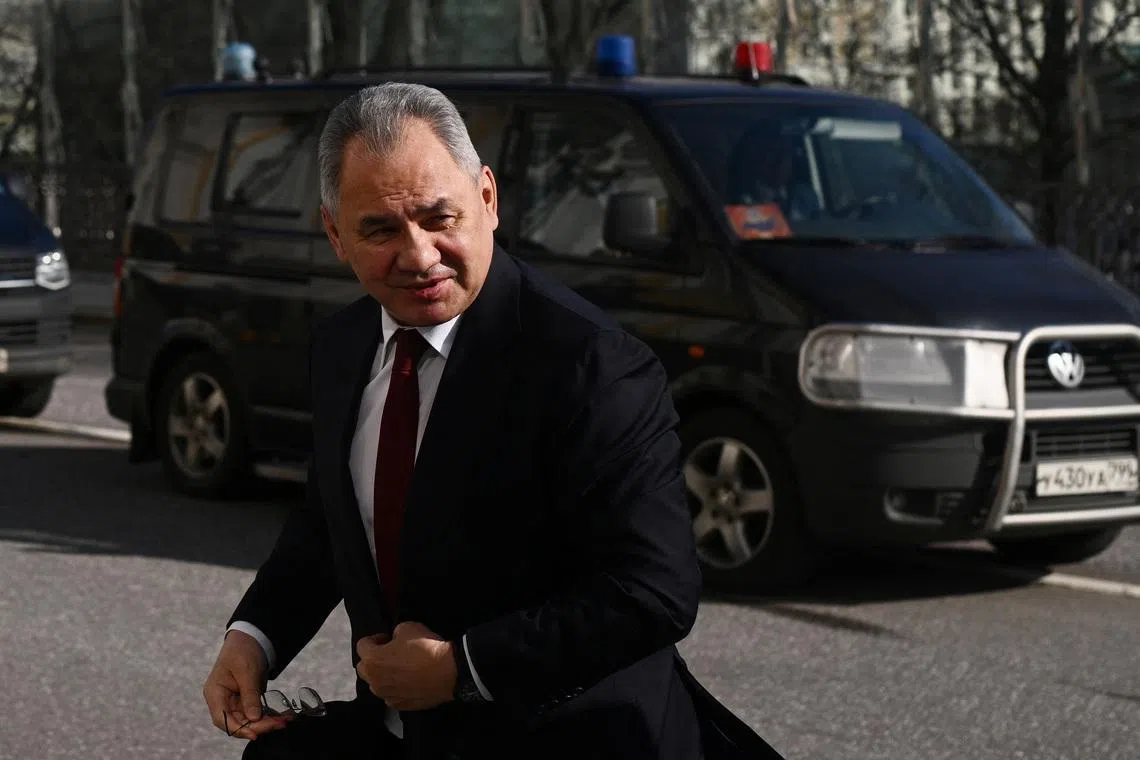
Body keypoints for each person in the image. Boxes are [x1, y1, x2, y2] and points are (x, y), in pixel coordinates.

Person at [202, 82, 781, 760]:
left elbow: (652, 591)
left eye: (438, 217)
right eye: (381, 230)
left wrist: (461, 667)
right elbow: (331, 521)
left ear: (487, 198)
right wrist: (254, 637)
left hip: (573, 740)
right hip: (403, 735)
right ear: (335, 234)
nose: (418, 256)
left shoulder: (590, 365)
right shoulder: (341, 348)